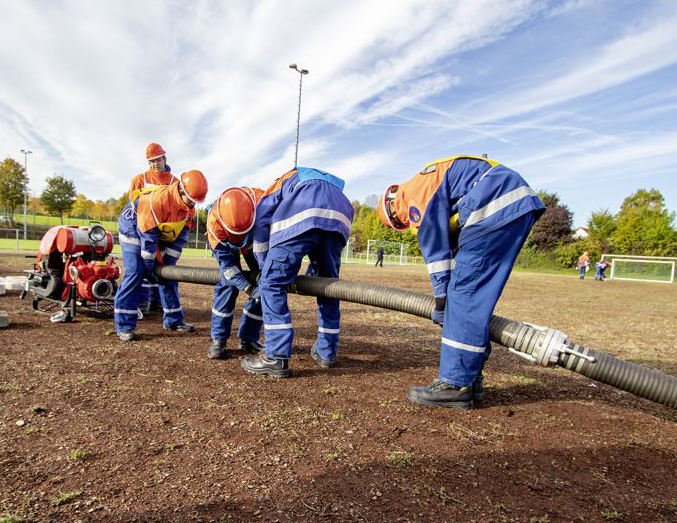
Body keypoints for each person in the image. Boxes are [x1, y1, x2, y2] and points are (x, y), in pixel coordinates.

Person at [378, 154, 545, 408]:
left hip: (494, 203)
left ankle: (455, 384)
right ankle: (470, 377)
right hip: (512, 203)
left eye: (399, 222)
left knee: (463, 295)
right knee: (472, 298)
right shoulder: (431, 183)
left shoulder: (414, 194)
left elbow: (436, 251)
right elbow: (453, 247)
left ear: (392, 207)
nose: (406, 223)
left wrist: (442, 299)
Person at [240, 167, 354, 378]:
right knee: (328, 287)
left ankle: (276, 356)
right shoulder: (331, 184)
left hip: (304, 209)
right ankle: (327, 352)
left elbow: (263, 219)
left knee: (271, 284)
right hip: (340, 217)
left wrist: (264, 266)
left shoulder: (284, 179)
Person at [114, 170, 208, 341]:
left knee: (168, 274)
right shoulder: (157, 200)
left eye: (196, 201)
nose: (193, 204)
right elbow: (148, 239)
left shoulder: (189, 209)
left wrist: (167, 265)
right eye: (191, 200)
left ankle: (173, 320)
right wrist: (149, 268)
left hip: (157, 232)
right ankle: (124, 326)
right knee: (135, 272)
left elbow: (180, 238)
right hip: (133, 227)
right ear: (181, 190)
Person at [205, 186, 266, 360]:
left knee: (265, 283)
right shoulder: (214, 225)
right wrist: (248, 288)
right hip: (227, 243)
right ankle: (218, 340)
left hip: (256, 237)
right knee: (228, 286)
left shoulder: (263, 203)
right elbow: (228, 268)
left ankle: (249, 338)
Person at [129, 143, 178, 316]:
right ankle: (142, 303)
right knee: (142, 266)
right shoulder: (139, 179)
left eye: (158, 159)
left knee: (162, 269)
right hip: (143, 231)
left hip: (165, 232)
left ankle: (158, 303)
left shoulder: (174, 182)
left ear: (165, 158)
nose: (155, 164)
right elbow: (132, 206)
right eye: (151, 161)